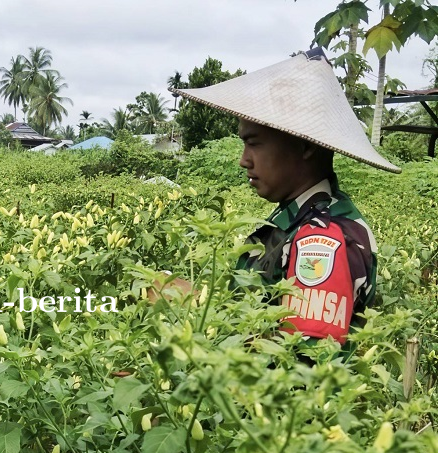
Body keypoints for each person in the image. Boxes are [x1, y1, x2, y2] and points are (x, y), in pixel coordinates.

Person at [170, 48, 400, 354]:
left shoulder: (320, 241)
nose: (243, 160)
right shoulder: (296, 221)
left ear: (305, 146)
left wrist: (196, 313)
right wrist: (199, 301)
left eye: (254, 144)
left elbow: (300, 365)